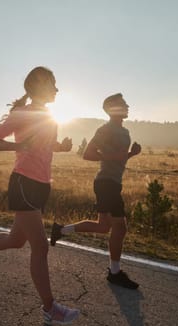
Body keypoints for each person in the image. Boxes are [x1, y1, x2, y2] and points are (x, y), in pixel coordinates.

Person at [0, 66, 80, 325]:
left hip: (41, 186)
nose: (57, 89)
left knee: (16, 240)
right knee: (39, 246)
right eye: (53, 83)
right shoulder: (23, 114)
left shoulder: (49, 116)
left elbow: (45, 146)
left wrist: (62, 147)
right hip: (23, 184)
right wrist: (19, 145)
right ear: (39, 86)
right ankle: (50, 309)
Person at [51, 93, 141, 289]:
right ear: (112, 109)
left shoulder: (124, 132)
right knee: (120, 227)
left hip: (113, 182)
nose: (127, 105)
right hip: (106, 182)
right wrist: (118, 154)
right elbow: (88, 154)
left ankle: (61, 230)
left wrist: (130, 154)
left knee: (103, 226)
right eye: (123, 104)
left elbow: (119, 159)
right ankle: (114, 273)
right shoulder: (105, 130)